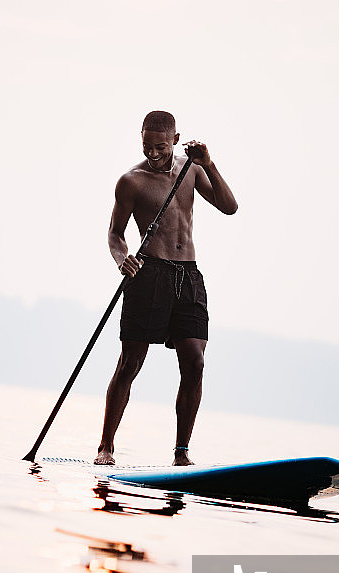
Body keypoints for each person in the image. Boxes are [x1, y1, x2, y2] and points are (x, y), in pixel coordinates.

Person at [94, 110, 237, 467]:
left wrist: (210, 164)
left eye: (160, 146)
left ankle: (181, 454)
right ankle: (106, 447)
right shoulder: (132, 181)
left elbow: (229, 207)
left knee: (195, 361)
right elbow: (115, 233)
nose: (153, 154)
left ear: (175, 140)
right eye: (147, 147)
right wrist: (121, 258)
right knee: (131, 363)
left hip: (188, 275)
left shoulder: (192, 169)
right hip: (148, 274)